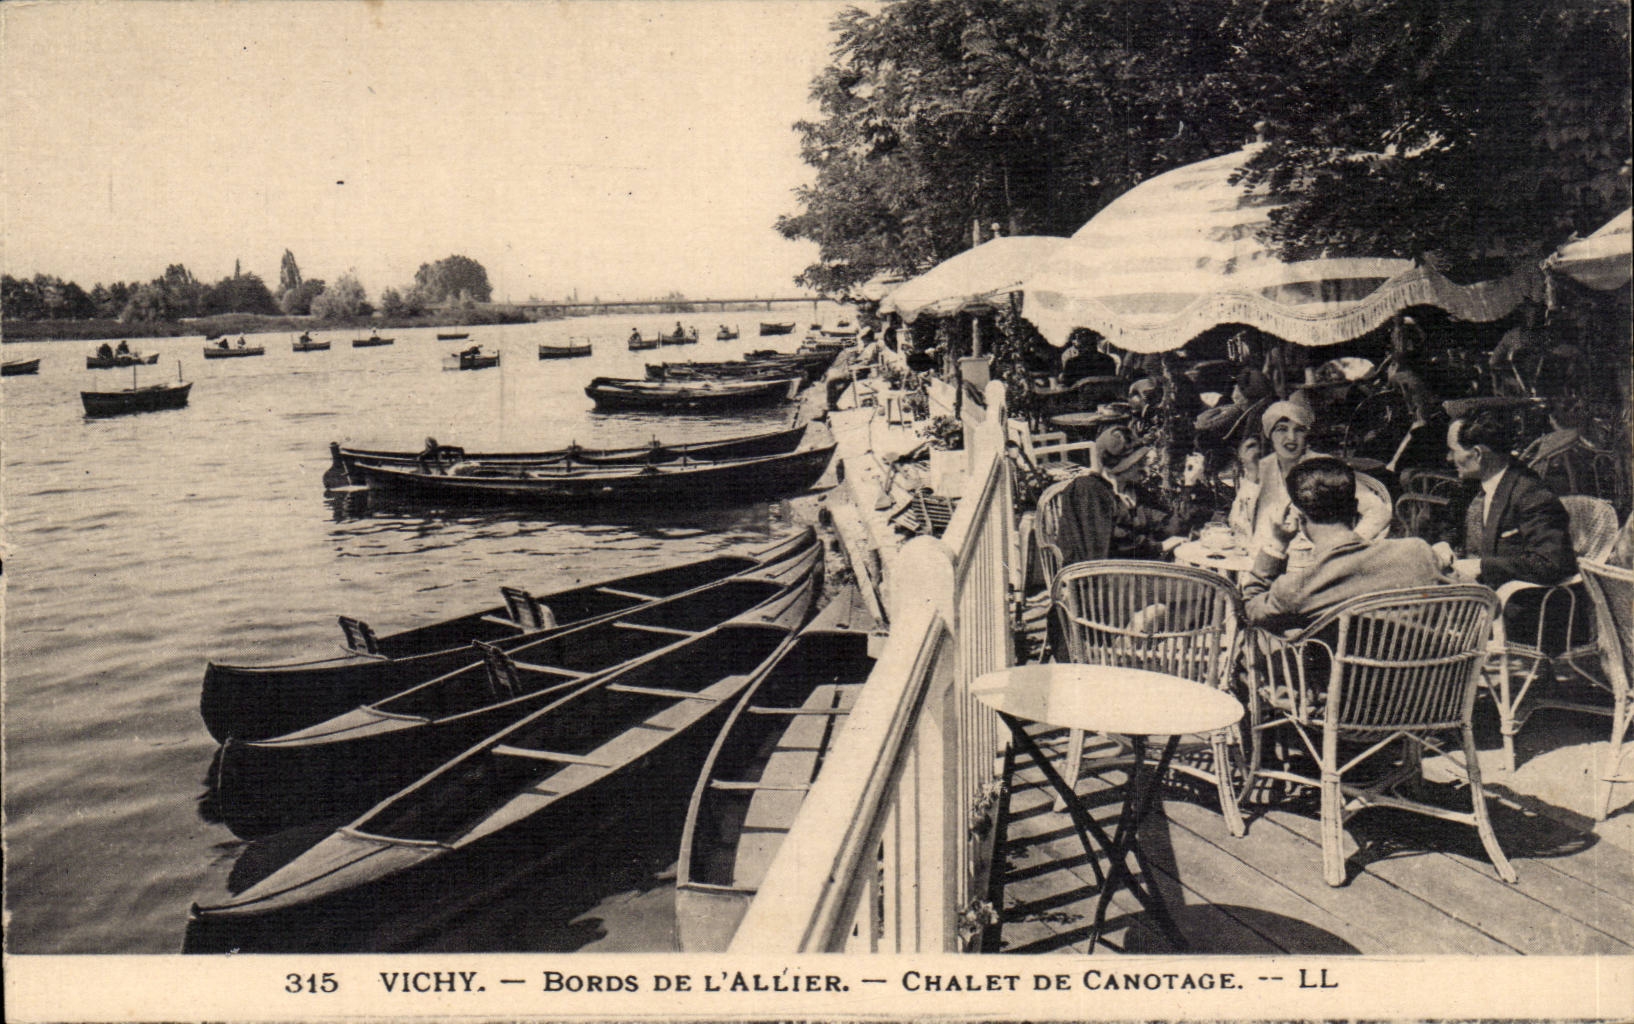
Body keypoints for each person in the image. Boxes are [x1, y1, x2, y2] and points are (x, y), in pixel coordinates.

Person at [1243, 457, 1449, 633]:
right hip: (1424, 676)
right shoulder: (1418, 552)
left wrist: (1277, 544)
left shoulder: (1298, 588)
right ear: (1356, 507)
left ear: (1298, 516)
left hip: (1346, 679)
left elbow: (1251, 609)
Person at [1443, 410, 1576, 588]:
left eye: (1453, 451)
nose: (1448, 458)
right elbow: (1453, 525)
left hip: (1509, 600)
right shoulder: (1472, 485)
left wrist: (1481, 567)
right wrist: (1445, 544)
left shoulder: (1531, 494)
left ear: (1477, 454)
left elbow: (1551, 562)